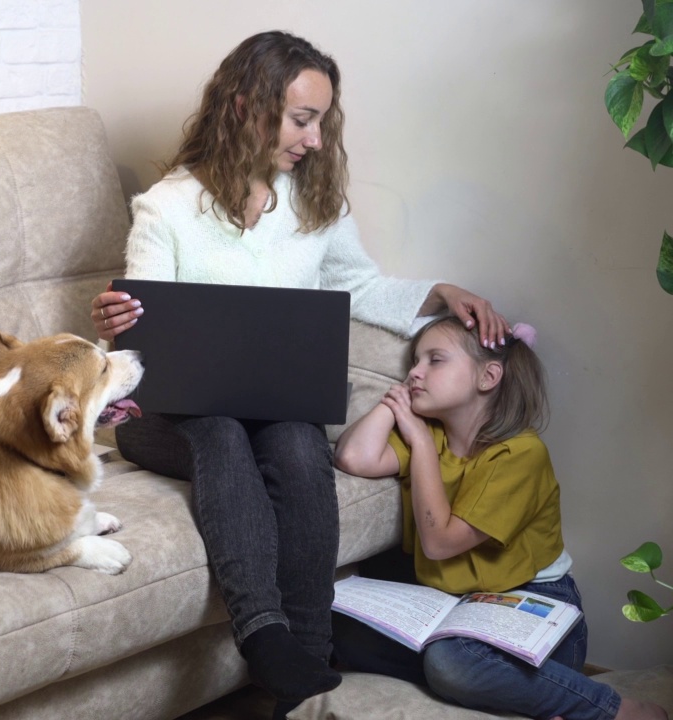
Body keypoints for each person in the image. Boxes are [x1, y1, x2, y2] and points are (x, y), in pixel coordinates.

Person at [90, 30, 511, 714]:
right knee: (221, 430)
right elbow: (146, 328)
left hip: (273, 406)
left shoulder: (314, 206)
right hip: (169, 422)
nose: (314, 141)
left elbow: (361, 287)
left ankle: (304, 663)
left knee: (293, 439)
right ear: (244, 107)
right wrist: (119, 323)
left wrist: (441, 295)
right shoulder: (166, 208)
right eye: (302, 120)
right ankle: (263, 633)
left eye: (320, 121)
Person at [333, 317, 668, 720]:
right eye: (414, 362)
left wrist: (419, 443)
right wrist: (396, 401)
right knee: (343, 631)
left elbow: (439, 543)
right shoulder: (434, 434)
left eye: (434, 360)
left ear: (489, 376)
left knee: (451, 663)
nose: (414, 372)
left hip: (533, 601)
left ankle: (613, 709)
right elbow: (354, 457)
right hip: (453, 602)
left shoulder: (521, 454)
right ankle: (513, 690)